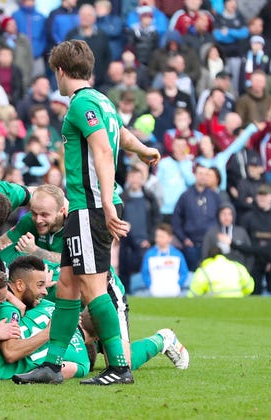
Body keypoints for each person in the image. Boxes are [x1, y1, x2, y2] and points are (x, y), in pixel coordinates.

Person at [12, 40, 160, 386]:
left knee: (93, 290)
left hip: (91, 207)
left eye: (55, 75)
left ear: (60, 72)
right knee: (66, 285)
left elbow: (103, 151)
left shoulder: (80, 104)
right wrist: (142, 149)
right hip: (89, 206)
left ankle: (120, 367)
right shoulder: (101, 100)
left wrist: (106, 202)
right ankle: (52, 365)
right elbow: (119, 134)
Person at [0, 184, 66, 264]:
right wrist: (9, 248)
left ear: (61, 211)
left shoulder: (74, 226)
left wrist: (35, 251)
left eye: (44, 214)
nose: (38, 220)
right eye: (34, 213)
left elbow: (72, 260)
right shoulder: (29, 219)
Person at [188, 247, 254, 297]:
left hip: (213, 304)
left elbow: (194, 294)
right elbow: (249, 287)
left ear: (208, 257)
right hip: (237, 302)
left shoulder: (203, 270)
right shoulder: (237, 266)